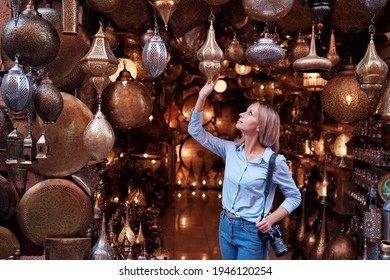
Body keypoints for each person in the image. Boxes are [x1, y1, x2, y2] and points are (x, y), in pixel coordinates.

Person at [188, 75, 302, 260]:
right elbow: (195, 131)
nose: (241, 114)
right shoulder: (231, 150)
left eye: (249, 114)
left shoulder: (274, 161)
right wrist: (202, 96)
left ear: (260, 126)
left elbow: (294, 196)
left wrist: (270, 220)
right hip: (225, 225)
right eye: (245, 111)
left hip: (252, 233)